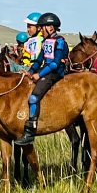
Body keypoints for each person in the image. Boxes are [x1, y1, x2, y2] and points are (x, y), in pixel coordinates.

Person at [15, 13, 68, 146]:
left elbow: (55, 64)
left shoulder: (60, 42)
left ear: (50, 28)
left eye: (42, 27)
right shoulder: (45, 42)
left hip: (55, 73)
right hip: (46, 70)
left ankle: (30, 132)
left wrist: (39, 75)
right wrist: (30, 71)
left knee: (33, 97)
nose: (40, 30)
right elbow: (39, 60)